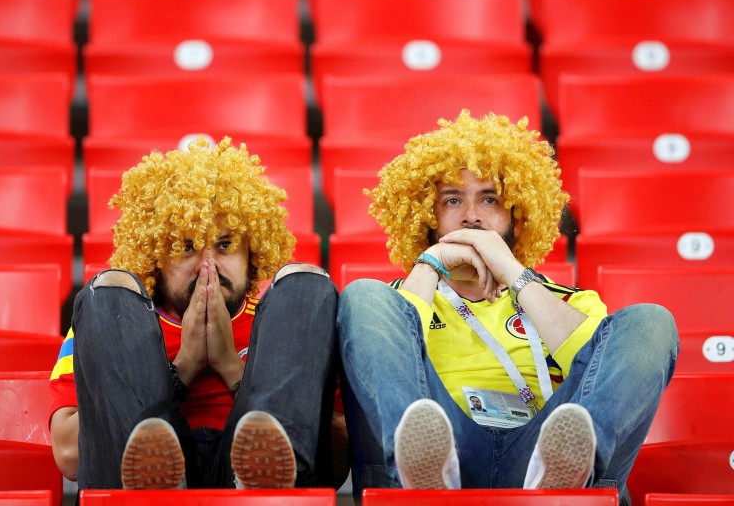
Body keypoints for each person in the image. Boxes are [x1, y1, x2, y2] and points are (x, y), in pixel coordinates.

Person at [336, 111, 678, 501]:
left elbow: (595, 370)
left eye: (489, 199)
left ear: (518, 213)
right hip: (443, 450)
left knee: (651, 322)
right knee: (362, 293)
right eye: (452, 200)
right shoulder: (388, 307)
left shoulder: (568, 301)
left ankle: (566, 479)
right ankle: (423, 470)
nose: (471, 216)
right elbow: (385, 358)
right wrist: (430, 263)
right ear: (425, 217)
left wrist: (515, 275)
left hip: (539, 454)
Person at [49, 138, 343, 493]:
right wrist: (183, 368)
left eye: (225, 245)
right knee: (107, 288)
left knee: (305, 281)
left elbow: (338, 459)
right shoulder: (116, 322)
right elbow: (68, 454)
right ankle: (150, 477)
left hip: (250, 487)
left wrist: (230, 367)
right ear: (156, 255)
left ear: (253, 253)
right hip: (135, 490)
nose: (208, 265)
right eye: (185, 247)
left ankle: (266, 478)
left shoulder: (286, 321)